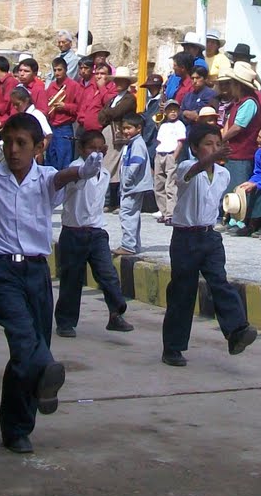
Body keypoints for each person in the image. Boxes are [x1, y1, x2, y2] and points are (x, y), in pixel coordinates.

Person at [0, 114, 99, 453]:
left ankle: (18, 428)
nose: (13, 150)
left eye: (22, 144)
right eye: (8, 142)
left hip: (36, 271)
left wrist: (82, 171)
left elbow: (61, 179)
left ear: (39, 147)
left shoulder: (45, 178)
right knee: (24, 337)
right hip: (1, 272)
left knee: (26, 352)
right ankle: (47, 372)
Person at [160, 123, 259, 368]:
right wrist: (212, 158)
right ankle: (173, 347)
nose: (214, 149)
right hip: (185, 238)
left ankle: (237, 330)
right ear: (194, 148)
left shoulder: (224, 175)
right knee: (182, 292)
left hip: (209, 236)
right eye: (208, 144)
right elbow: (191, 173)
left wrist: (215, 158)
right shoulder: (185, 167)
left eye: (217, 144)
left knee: (220, 282)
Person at [54, 128, 133, 339]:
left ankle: (116, 313)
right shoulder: (75, 168)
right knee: (72, 280)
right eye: (92, 148)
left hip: (97, 231)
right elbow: (77, 181)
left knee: (108, 275)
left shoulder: (105, 173)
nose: (96, 153)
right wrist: (84, 172)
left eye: (100, 149)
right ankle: (65, 322)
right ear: (81, 149)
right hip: (73, 232)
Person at [218, 61, 261, 186]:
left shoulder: (249, 103)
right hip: (234, 154)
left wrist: (221, 139)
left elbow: (237, 127)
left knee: (237, 192)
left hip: (242, 156)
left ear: (238, 85)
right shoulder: (239, 102)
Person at [116, 112, 152, 256]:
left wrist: (127, 180)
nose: (125, 131)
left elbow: (136, 163)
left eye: (129, 128)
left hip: (132, 186)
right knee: (133, 214)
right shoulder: (133, 143)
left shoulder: (137, 144)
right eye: (124, 128)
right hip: (133, 186)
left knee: (127, 214)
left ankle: (128, 245)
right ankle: (134, 245)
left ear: (139, 128)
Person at [45, 56, 82, 170]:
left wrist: (65, 106)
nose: (57, 73)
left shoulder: (74, 86)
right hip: (51, 127)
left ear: (66, 70)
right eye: (54, 70)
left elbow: (79, 107)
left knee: (64, 161)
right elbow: (46, 105)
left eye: (59, 70)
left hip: (64, 127)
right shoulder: (51, 86)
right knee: (50, 159)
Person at [153, 99, 186, 225]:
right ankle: (163, 210)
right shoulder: (163, 125)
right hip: (160, 153)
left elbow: (180, 142)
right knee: (158, 184)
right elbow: (160, 141)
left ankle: (171, 214)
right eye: (170, 110)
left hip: (170, 154)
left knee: (170, 184)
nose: (173, 112)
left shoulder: (179, 125)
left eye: (175, 110)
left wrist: (174, 156)